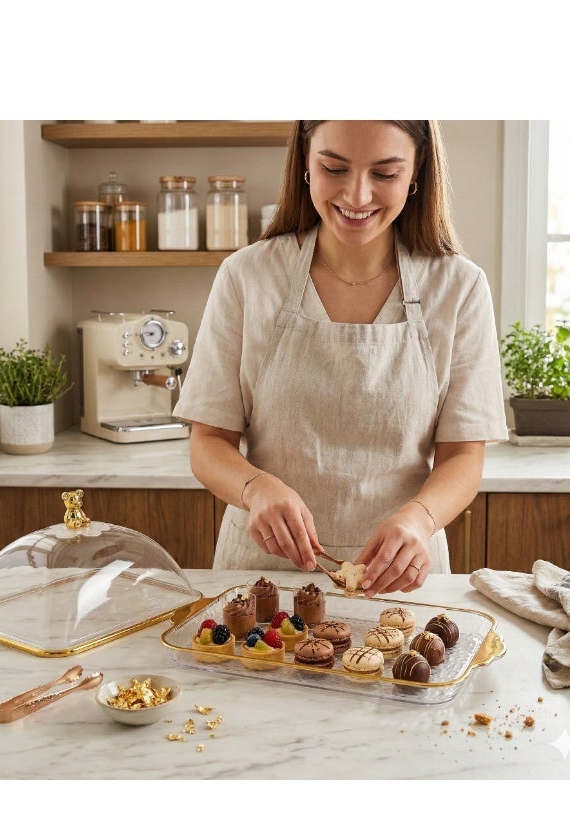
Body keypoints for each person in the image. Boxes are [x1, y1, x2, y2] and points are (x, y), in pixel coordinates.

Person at [173, 120, 508, 595]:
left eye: (385, 174)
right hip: (262, 576)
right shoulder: (247, 276)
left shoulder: (458, 287)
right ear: (305, 165)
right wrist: (256, 488)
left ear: (417, 175)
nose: (356, 195)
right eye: (334, 168)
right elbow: (208, 442)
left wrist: (419, 519)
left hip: (401, 581)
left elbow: (463, 456)